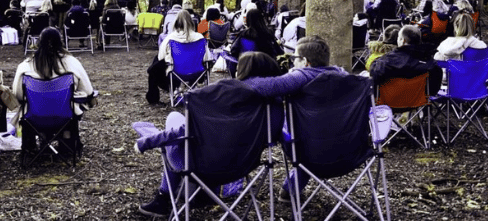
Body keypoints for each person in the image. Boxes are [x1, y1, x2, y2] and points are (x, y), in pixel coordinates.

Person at [135, 38, 348, 216]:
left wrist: (230, 86)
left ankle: (165, 197)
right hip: (343, 151)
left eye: (295, 60)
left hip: (197, 163)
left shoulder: (300, 76)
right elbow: (275, 135)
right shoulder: (348, 81)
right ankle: (288, 190)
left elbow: (264, 85)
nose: (292, 65)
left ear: (307, 62)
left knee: (175, 124)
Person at [12, 27, 96, 153]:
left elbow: (17, 94)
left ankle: (34, 145)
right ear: (61, 43)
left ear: (38, 43)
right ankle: (67, 141)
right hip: (65, 116)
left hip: (34, 116)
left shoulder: (26, 66)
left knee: (26, 106)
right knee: (73, 104)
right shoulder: (72, 63)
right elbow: (88, 91)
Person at [145, 10, 212, 106]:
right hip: (197, 74)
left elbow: (161, 57)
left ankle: (154, 97)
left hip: (176, 73)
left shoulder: (170, 38)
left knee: (155, 64)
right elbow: (208, 58)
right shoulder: (200, 38)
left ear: (176, 23)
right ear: (192, 22)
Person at [369, 25, 443, 95]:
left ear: (402, 40)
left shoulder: (389, 59)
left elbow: (375, 74)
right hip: (418, 100)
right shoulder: (430, 62)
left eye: (398, 37)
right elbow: (434, 89)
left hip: (391, 99)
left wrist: (376, 61)